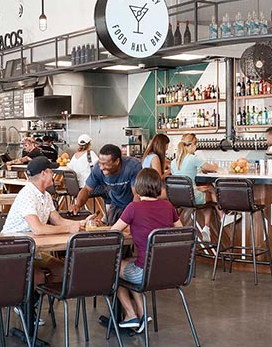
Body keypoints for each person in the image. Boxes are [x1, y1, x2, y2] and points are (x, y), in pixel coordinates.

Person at [110, 168, 182, 332]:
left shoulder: (133, 208)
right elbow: (181, 233)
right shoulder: (168, 206)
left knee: (114, 268)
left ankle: (130, 315)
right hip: (171, 271)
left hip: (144, 273)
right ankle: (143, 315)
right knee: (130, 265)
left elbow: (112, 233)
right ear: (159, 187)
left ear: (138, 187)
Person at [1, 156, 84, 283]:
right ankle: (28, 301)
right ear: (44, 173)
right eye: (51, 171)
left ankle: (40, 298)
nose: (54, 174)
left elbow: (58, 221)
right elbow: (38, 229)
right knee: (37, 276)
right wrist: (69, 229)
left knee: (61, 270)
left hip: (33, 249)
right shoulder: (27, 194)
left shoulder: (46, 195)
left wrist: (82, 224)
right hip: (14, 249)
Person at [71, 144, 142, 224]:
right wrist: (78, 205)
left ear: (117, 161)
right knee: (113, 232)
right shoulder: (98, 168)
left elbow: (137, 195)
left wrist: (131, 217)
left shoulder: (133, 167)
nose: (101, 167)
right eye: (100, 163)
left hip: (132, 204)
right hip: (116, 204)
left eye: (105, 164)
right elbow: (87, 189)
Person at [170, 133, 219, 241]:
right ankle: (221, 218)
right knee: (211, 191)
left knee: (206, 189)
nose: (196, 147)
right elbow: (210, 168)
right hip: (192, 197)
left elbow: (183, 180)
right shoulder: (193, 158)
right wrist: (216, 165)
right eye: (195, 144)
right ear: (192, 145)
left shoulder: (174, 162)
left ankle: (176, 231)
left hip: (178, 198)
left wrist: (196, 188)